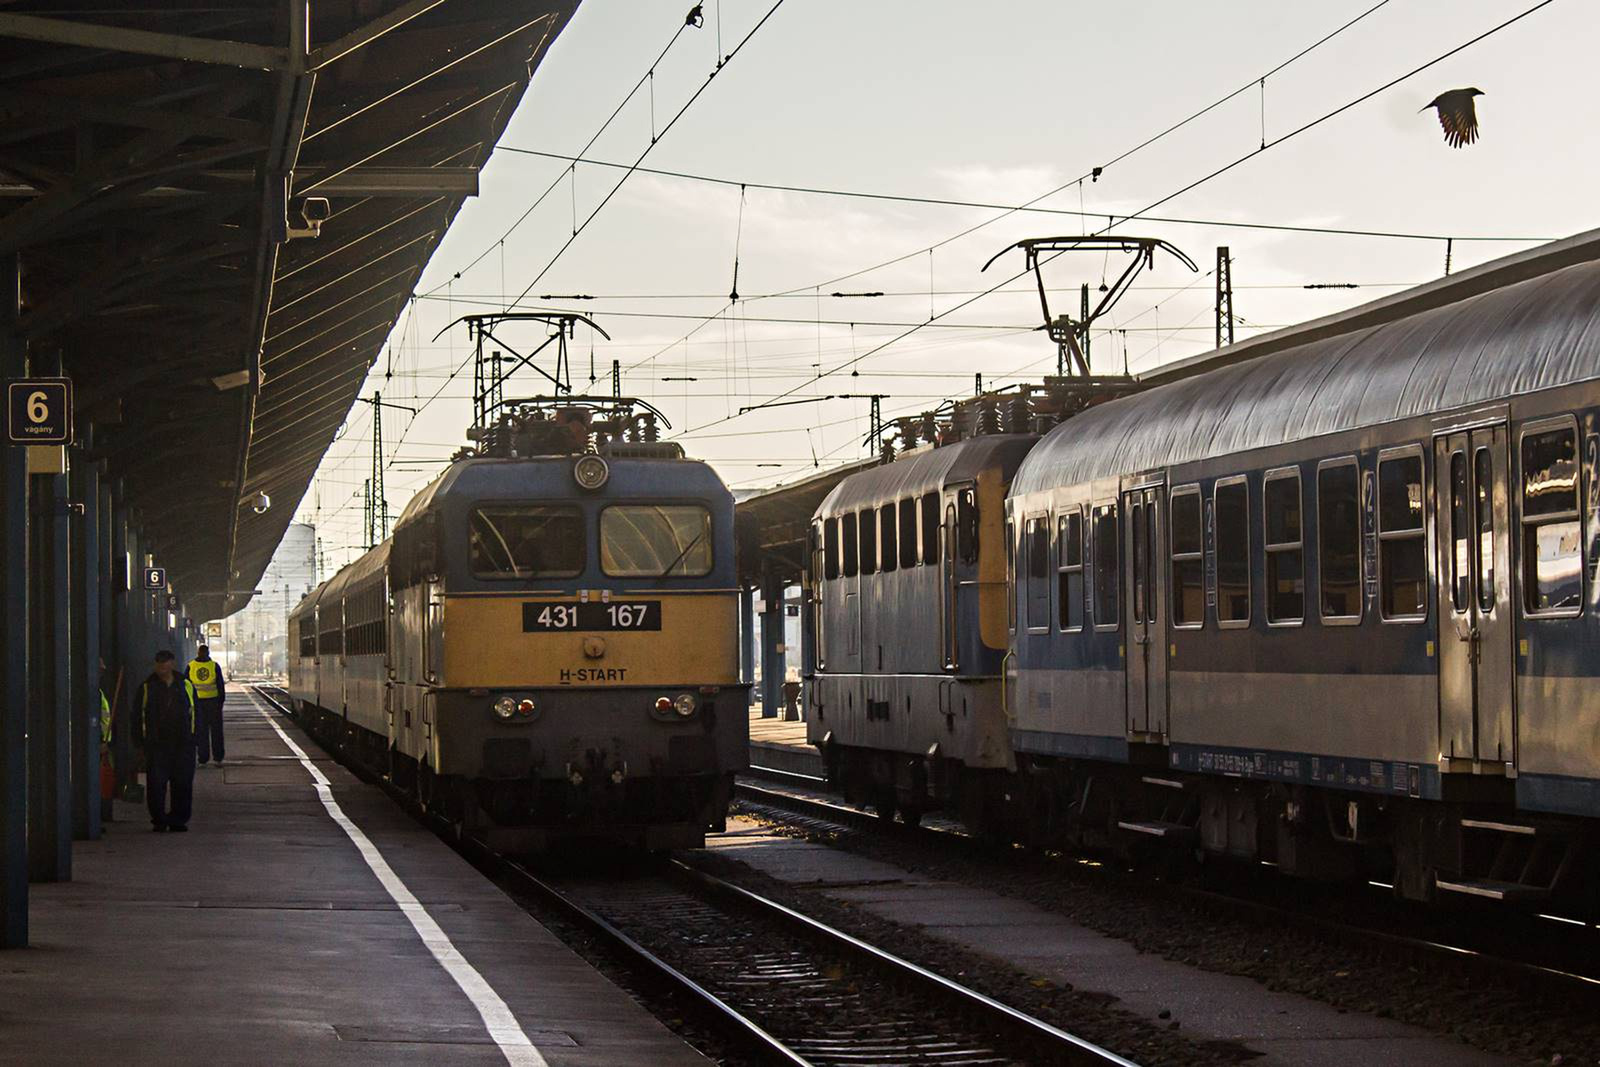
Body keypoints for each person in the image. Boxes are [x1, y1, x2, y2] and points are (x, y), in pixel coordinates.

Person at [135, 651, 198, 833]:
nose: (162, 667)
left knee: (183, 783)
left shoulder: (185, 685)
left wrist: (195, 739)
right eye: (159, 664)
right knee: (156, 784)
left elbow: (195, 712)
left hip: (183, 743)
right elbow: (137, 715)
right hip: (157, 744)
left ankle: (179, 820)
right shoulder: (147, 687)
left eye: (165, 663)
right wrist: (140, 742)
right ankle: (159, 819)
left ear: (172, 663)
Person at [186, 645, 227, 767]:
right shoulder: (214, 666)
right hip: (213, 703)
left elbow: (186, 685)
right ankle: (218, 758)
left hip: (198, 704)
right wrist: (220, 703)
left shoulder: (191, 666)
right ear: (208, 653)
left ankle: (203, 759)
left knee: (201, 732)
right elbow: (220, 686)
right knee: (216, 732)